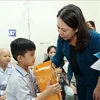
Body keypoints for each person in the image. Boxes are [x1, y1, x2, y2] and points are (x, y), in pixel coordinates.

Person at [51, 4, 100, 100]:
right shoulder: (62, 38)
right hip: (80, 80)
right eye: (58, 28)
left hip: (95, 81)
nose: (60, 32)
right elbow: (57, 59)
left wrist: (99, 87)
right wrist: (41, 71)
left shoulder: (94, 38)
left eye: (64, 30)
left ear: (77, 28)